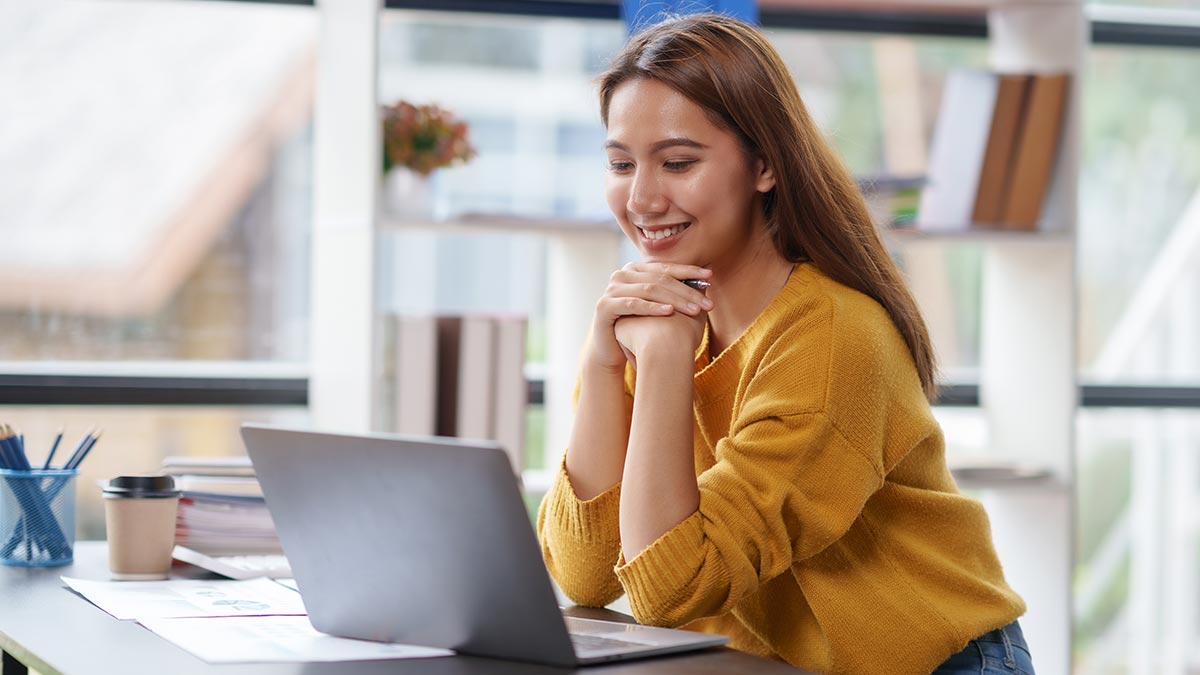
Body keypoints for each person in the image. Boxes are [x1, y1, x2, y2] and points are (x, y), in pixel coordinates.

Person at [535, 13, 1034, 675]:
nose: (643, 197)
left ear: (765, 165)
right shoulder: (657, 320)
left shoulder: (831, 337)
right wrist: (602, 363)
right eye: (621, 163)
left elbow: (669, 589)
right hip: (767, 663)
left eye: (678, 162)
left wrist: (659, 364)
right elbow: (586, 574)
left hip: (935, 664)